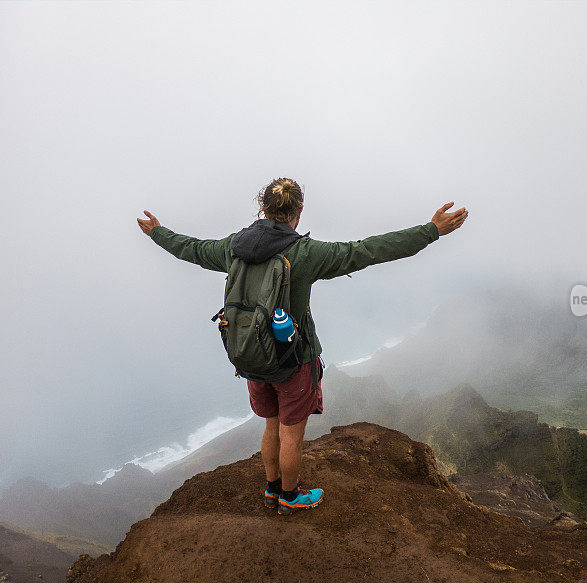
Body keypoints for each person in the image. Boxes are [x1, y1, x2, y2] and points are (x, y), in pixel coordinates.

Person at [137, 178, 468, 515]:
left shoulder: (234, 246)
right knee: (290, 433)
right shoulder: (305, 253)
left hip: (250, 357)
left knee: (270, 426)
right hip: (293, 359)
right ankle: (289, 497)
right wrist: (431, 231)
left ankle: (271, 490)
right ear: (299, 212)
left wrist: (157, 233)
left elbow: (191, 248)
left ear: (263, 207)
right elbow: (368, 250)